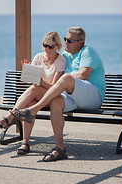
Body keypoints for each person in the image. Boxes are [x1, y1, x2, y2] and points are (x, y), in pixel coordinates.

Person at [11, 27, 106, 162]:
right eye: (65, 39)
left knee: (67, 78)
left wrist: (64, 81)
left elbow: (83, 75)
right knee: (56, 101)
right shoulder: (65, 56)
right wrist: (32, 72)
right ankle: (60, 148)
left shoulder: (88, 52)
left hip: (92, 96)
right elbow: (51, 73)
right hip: (71, 96)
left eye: (69, 40)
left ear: (80, 42)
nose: (65, 42)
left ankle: (33, 110)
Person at [0, 31, 66, 155]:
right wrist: (28, 73)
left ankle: (9, 117)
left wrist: (39, 81)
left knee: (34, 90)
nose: (47, 49)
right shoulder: (38, 57)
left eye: (51, 46)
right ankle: (25, 143)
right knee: (30, 101)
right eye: (45, 45)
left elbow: (54, 87)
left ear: (57, 46)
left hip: (52, 97)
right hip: (37, 95)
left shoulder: (60, 61)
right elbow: (30, 83)